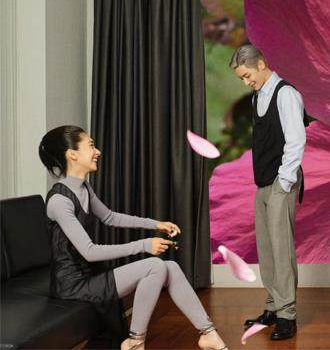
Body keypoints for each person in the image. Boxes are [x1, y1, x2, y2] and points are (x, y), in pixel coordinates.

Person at [38, 125, 227, 350]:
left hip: (90, 275)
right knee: (155, 266)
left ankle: (208, 333)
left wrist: (156, 224)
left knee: (171, 267)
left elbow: (110, 217)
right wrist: (144, 245)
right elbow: (89, 251)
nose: (98, 151)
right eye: (91, 146)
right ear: (73, 154)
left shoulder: (84, 187)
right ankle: (136, 342)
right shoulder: (59, 201)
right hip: (73, 285)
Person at [230, 45, 306, 340]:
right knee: (266, 247)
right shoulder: (257, 96)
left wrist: (284, 182)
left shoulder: (286, 94)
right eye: (241, 78)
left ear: (261, 64)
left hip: (280, 181)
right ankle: (273, 306)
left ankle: (287, 315)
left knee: (281, 248)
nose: (245, 82)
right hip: (262, 181)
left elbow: (296, 140)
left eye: (247, 75)